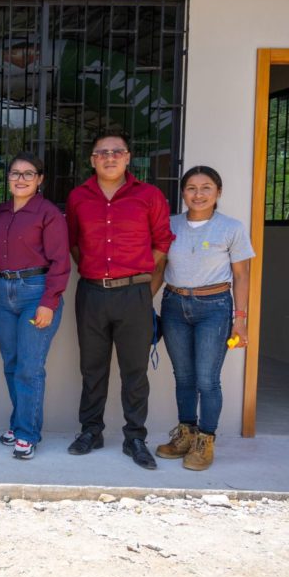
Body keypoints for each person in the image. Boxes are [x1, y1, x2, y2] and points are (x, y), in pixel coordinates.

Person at [65, 133, 174, 470]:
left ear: (128, 157)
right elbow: (74, 243)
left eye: (117, 152)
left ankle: (135, 437)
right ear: (92, 160)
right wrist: (96, 271)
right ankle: (91, 431)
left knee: (135, 371)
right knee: (92, 368)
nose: (109, 157)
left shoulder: (149, 196)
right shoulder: (78, 197)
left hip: (134, 294)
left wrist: (141, 283)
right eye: (102, 152)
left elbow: (162, 243)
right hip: (92, 293)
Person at [155, 166, 253, 470]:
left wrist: (240, 319)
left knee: (207, 380)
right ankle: (186, 434)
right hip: (174, 305)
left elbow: (242, 275)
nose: (198, 194)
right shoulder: (170, 225)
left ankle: (205, 441)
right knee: (183, 377)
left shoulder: (231, 228)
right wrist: (143, 304)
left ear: (218, 192)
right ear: (183, 193)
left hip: (215, 307)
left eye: (206, 187)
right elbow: (159, 268)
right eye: (191, 188)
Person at [0, 152, 70, 460]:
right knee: (11, 363)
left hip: (35, 292)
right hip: (1, 292)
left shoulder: (48, 213)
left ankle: (27, 433)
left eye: (28, 174)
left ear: (40, 179)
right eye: (15, 173)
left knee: (29, 367)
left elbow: (60, 262)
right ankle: (19, 422)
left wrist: (49, 302)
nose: (20, 179)